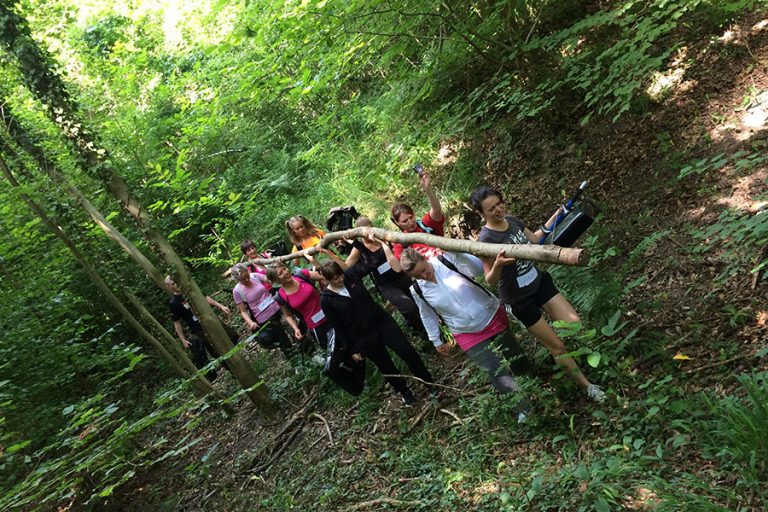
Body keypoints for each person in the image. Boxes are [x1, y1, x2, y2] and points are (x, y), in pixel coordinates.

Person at [469, 186, 606, 403]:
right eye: (491, 209)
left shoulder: (513, 220)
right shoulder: (486, 240)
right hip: (519, 299)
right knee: (557, 345)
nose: (497, 210)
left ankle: (568, 361)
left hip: (538, 281)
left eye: (498, 204)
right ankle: (587, 386)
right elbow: (490, 280)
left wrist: (555, 217)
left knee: (574, 323)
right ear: (481, 214)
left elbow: (535, 240)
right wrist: (498, 265)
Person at [399, 248, 532, 420]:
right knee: (494, 368)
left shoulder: (446, 261)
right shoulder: (417, 290)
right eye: (418, 276)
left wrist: (458, 253)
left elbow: (477, 269)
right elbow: (427, 314)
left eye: (424, 270)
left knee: (514, 353)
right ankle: (523, 407)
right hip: (464, 331)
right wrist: (436, 340)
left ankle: (533, 383)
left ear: (425, 258)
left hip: (489, 313)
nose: (424, 276)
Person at [318, 261, 435, 405]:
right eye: (335, 278)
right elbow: (338, 326)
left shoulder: (351, 277)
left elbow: (369, 264)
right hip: (363, 337)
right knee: (385, 365)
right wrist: (352, 349)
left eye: (340, 275)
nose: (340, 279)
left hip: (382, 322)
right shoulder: (327, 300)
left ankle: (428, 382)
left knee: (406, 351)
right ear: (327, 280)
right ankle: (404, 391)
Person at [266, 260, 366, 396]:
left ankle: (366, 365)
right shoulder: (280, 296)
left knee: (353, 340)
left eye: (284, 269)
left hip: (333, 314)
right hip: (317, 327)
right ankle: (359, 381)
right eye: (280, 273)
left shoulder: (302, 275)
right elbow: (288, 315)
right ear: (276, 279)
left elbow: (325, 276)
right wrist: (295, 328)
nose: (285, 272)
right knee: (338, 353)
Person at [345, 217, 427, 339]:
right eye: (362, 233)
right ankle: (419, 332)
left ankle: (431, 328)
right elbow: (346, 266)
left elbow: (400, 247)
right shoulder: (359, 248)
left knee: (419, 300)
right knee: (408, 307)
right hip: (386, 285)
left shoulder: (384, 237)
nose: (367, 236)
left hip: (401, 276)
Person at [165, 275, 231, 381]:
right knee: (215, 350)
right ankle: (232, 370)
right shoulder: (173, 303)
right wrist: (183, 340)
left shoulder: (188, 290)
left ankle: (238, 359)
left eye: (175, 281)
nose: (175, 284)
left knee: (230, 336)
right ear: (169, 287)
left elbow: (204, 297)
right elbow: (176, 323)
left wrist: (220, 306)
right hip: (198, 329)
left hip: (209, 319)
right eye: (172, 284)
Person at [230, 263, 300, 361]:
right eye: (243, 280)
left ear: (247, 272)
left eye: (247, 276)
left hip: (278, 308)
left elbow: (271, 279)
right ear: (238, 280)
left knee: (294, 328)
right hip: (265, 318)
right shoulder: (237, 291)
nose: (246, 280)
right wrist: (250, 322)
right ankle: (296, 362)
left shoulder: (254, 276)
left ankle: (309, 351)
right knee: (283, 340)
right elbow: (243, 311)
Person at [390, 166, 445, 260]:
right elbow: (402, 263)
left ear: (414, 215)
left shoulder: (425, 225)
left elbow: (436, 209)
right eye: (405, 221)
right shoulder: (400, 243)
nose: (410, 222)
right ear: (397, 223)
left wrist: (427, 190)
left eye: (411, 217)